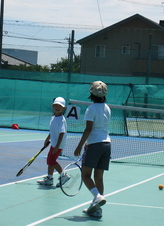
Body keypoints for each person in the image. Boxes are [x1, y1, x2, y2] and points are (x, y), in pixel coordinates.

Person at [74, 81, 111, 218]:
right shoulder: (107, 108)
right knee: (99, 177)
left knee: (86, 176)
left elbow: (89, 128)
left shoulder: (91, 109)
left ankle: (97, 197)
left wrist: (79, 145)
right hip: (107, 144)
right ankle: (97, 209)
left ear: (91, 93)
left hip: (95, 145)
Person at [37, 97, 70, 187]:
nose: (57, 107)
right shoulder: (53, 118)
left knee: (51, 160)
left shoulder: (62, 120)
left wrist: (57, 146)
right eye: (55, 105)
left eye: (59, 106)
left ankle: (64, 175)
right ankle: (50, 179)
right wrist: (47, 139)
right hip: (54, 144)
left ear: (63, 108)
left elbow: (61, 134)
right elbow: (52, 131)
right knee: (49, 160)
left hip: (58, 145)